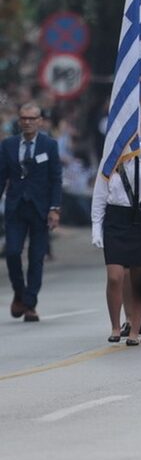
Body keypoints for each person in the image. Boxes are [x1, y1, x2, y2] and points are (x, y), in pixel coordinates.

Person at [91, 136, 141, 344]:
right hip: (116, 219)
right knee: (115, 277)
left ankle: (135, 330)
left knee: (139, 279)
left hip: (140, 219)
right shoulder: (109, 160)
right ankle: (115, 326)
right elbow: (99, 196)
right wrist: (96, 228)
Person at [0, 102, 62, 322]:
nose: (27, 122)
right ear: (19, 120)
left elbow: (55, 178)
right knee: (13, 252)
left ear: (40, 121)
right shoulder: (8, 145)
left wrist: (54, 208)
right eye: (24, 118)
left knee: (36, 258)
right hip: (15, 207)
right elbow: (1, 177)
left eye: (32, 118)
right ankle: (19, 292)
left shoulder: (49, 145)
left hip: (40, 209)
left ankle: (30, 303)